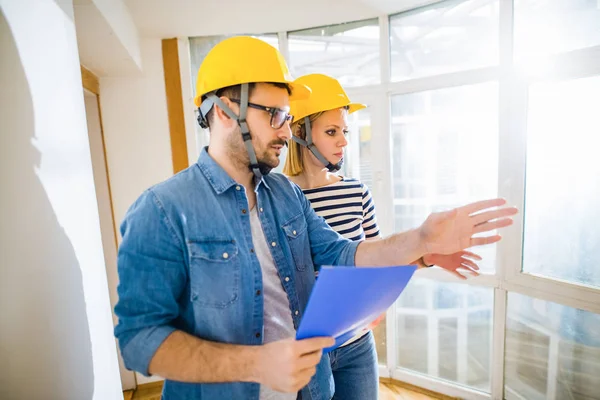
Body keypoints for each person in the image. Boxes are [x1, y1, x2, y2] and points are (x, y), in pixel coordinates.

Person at [113, 36, 518, 400]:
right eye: (274, 115)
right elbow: (140, 339)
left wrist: (423, 240)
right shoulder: (161, 210)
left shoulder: (285, 196)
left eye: (287, 117)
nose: (286, 132)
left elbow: (343, 255)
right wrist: (255, 365)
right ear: (222, 109)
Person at [283, 73, 484, 399]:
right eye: (332, 131)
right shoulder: (281, 199)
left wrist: (426, 256)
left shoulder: (356, 192)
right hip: (306, 351)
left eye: (344, 131)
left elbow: (377, 258)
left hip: (357, 343)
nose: (344, 141)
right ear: (300, 133)